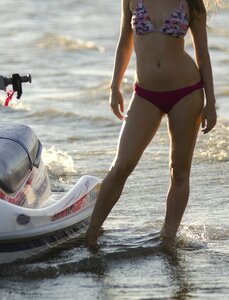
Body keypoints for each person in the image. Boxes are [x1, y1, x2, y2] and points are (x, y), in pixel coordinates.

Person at [86, 0, 219, 247]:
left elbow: (203, 53)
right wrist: (114, 87)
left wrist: (211, 102)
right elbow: (124, 42)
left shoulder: (191, 3)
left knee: (178, 171)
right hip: (145, 94)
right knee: (121, 166)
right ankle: (90, 237)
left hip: (186, 93)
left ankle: (167, 240)